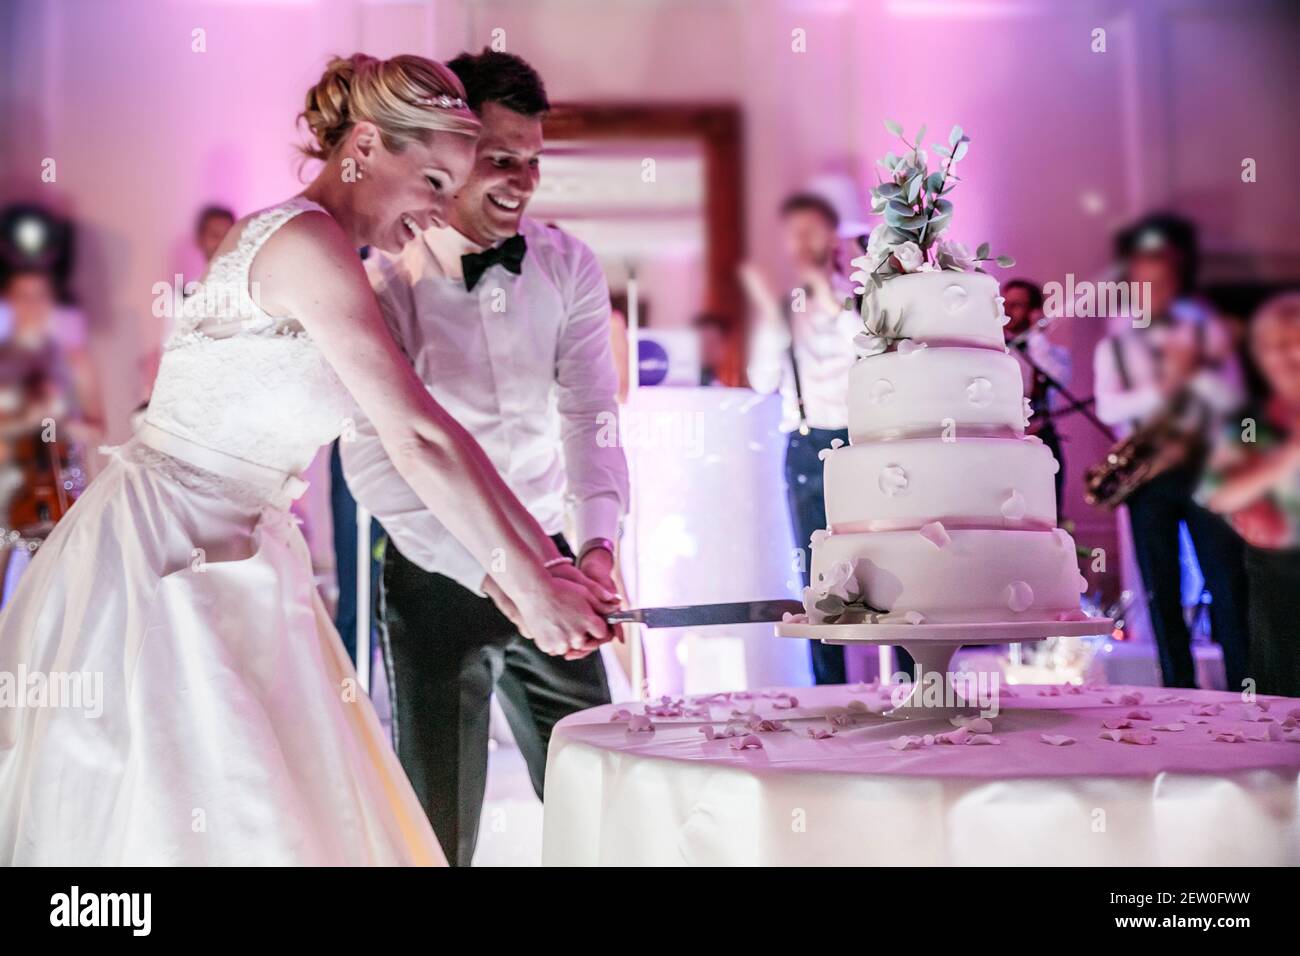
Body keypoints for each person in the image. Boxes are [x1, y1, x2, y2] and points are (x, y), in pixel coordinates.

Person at [0, 53, 615, 866]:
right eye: (432, 181)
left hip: (248, 553)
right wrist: (529, 584)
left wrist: (537, 564)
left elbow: (440, 435)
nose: (438, 212)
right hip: (168, 552)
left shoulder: (343, 258)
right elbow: (416, 438)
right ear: (364, 146)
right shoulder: (303, 242)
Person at [341, 49, 629, 866]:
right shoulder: (384, 282)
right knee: (439, 821)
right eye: (501, 158)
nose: (523, 180)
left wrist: (597, 545)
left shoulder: (568, 264)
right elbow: (376, 466)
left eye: (533, 161)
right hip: (436, 568)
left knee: (592, 788)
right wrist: (503, 578)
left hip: (553, 555)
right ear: (455, 149)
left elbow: (589, 415)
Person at [1092, 213, 1248, 690]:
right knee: (1160, 588)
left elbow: (1233, 395)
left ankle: (1247, 684)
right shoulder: (1115, 345)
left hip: (1204, 464)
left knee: (1227, 580)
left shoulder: (1206, 331)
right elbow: (1108, 403)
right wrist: (1165, 390)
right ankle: (1178, 689)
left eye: (1162, 280)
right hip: (1148, 472)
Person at [742, 192, 859, 685]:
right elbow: (760, 379)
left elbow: (871, 348)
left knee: (885, 566)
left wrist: (825, 293)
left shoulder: (861, 294)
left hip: (863, 444)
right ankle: (829, 689)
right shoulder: (780, 304)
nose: (801, 242)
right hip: (805, 444)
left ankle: (905, 682)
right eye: (793, 233)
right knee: (817, 574)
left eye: (812, 231)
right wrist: (771, 314)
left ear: (831, 237)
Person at [1201, 292, 1300, 696]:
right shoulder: (1249, 422)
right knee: (1282, 694)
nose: (1291, 355)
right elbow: (1219, 494)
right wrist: (1287, 456)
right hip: (1278, 574)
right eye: (1277, 346)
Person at [1001, 278, 1071, 517]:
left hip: (1043, 437)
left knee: (1047, 510)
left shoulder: (1051, 353)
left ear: (1033, 311)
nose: (1007, 311)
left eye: (1016, 305)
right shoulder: (994, 353)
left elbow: (1059, 378)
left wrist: (1037, 336)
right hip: (1003, 439)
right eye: (1005, 303)